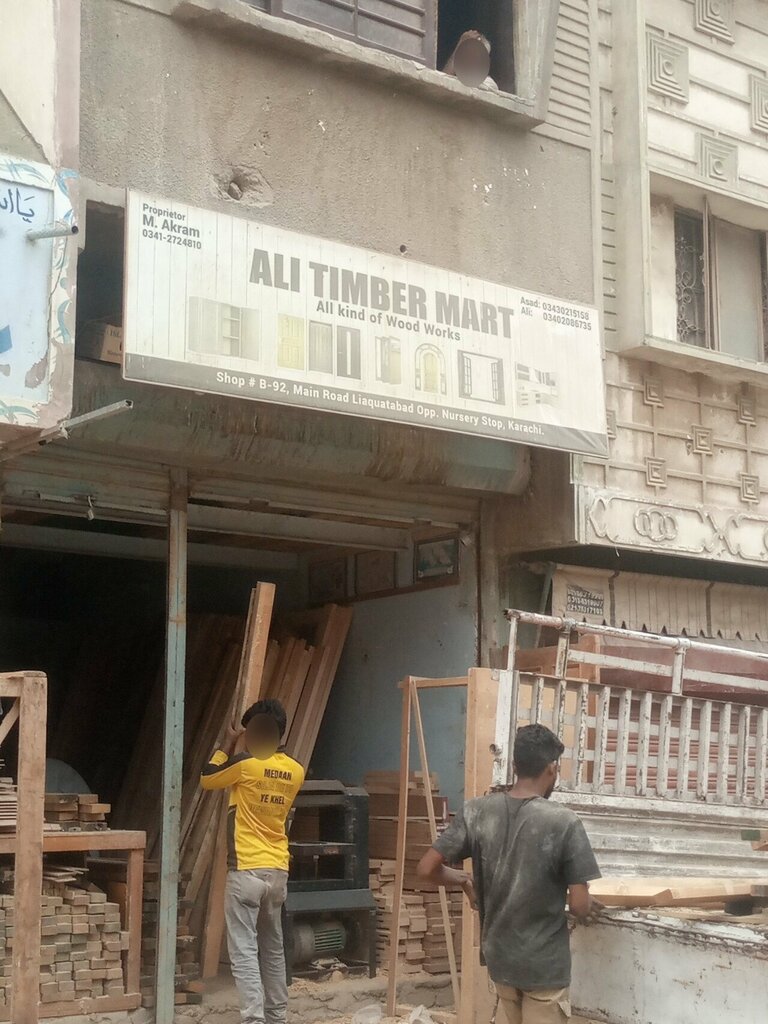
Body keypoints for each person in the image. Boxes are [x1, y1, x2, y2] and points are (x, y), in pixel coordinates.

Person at [417, 724, 601, 1024]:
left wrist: (463, 879)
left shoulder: (476, 811)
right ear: (552, 768)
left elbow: (426, 869)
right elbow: (580, 906)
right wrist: (588, 904)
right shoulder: (564, 822)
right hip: (543, 967)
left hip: (500, 960)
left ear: (515, 766)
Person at [200, 698, 304, 1024]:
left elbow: (208, 778)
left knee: (244, 950)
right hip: (277, 871)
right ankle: (277, 1017)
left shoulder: (245, 765)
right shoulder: (296, 771)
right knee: (273, 948)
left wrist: (227, 743)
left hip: (246, 869)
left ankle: (254, 1019)